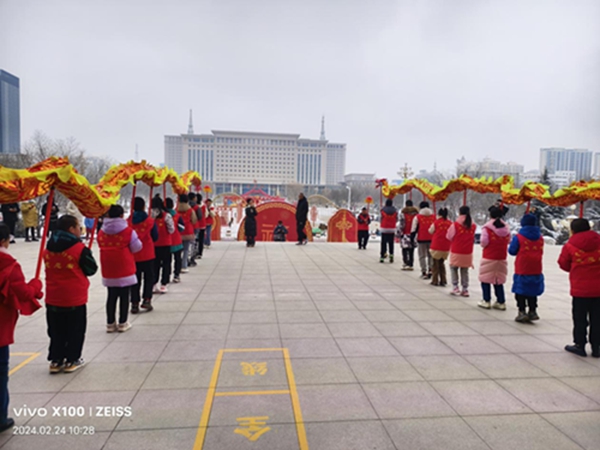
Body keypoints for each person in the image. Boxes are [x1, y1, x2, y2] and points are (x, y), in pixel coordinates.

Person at [0, 223, 43, 432]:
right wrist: (36, 286)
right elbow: (23, 293)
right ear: (4, 241)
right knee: (0, 372)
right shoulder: (8, 264)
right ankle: (0, 417)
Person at [44, 215, 97, 374]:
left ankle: (56, 359)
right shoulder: (79, 249)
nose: (80, 229)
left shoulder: (48, 247)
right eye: (78, 226)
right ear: (71, 229)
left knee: (56, 329)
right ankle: (72, 359)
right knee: (75, 329)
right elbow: (91, 269)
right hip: (74, 297)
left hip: (53, 296)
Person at [558, 218, 600, 358]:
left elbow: (563, 264)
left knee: (580, 318)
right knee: (597, 318)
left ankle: (580, 345)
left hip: (580, 289)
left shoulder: (570, 245)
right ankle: (597, 347)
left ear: (573, 230)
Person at [97, 205, 142, 333]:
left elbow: (100, 243)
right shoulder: (128, 231)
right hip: (124, 266)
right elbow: (137, 247)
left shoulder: (101, 231)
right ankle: (123, 322)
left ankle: (110, 323)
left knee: (111, 296)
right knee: (124, 296)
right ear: (122, 215)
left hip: (108, 267)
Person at [509, 213, 544, 323]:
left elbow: (512, 251)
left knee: (520, 290)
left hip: (522, 267)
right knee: (532, 290)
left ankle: (522, 311)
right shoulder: (540, 237)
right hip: (536, 267)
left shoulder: (519, 237)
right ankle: (533, 311)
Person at [477, 207, 511, 310]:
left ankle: (486, 300)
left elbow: (484, 242)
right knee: (498, 279)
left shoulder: (487, 228)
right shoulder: (506, 228)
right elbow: (509, 240)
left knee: (485, 278)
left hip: (489, 256)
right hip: (501, 256)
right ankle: (501, 301)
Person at [129, 197, 157, 314]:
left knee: (135, 279)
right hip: (147, 253)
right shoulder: (150, 221)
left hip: (133, 254)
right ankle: (147, 299)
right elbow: (155, 236)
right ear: (143, 206)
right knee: (149, 278)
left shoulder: (128, 221)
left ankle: (134, 302)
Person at [447, 206, 476, 297]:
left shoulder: (455, 225)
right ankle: (465, 288)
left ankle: (455, 287)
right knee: (464, 270)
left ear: (459, 213)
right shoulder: (473, 225)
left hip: (456, 250)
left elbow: (449, 236)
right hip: (468, 251)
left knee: (453, 268)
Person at [151, 197, 174, 293]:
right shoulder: (166, 215)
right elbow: (171, 229)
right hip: (165, 243)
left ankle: (154, 283)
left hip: (154, 244)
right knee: (166, 264)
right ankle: (164, 284)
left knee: (154, 265)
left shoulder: (150, 215)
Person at [411, 201, 435, 279]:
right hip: (432, 238)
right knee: (431, 255)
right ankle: (431, 269)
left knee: (422, 256)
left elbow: (413, 228)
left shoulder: (417, 217)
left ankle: (424, 271)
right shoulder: (434, 216)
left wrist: (412, 238)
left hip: (421, 238)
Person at [429, 207, 451, 286]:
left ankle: (435, 280)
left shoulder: (436, 222)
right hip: (446, 246)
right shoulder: (450, 223)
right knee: (442, 264)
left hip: (436, 246)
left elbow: (430, 231)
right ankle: (443, 280)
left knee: (435, 264)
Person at [166, 198, 184, 283]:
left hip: (166, 241)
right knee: (177, 259)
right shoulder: (177, 216)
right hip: (177, 240)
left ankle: (167, 275)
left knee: (167, 260)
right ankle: (176, 275)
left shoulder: (162, 216)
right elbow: (182, 228)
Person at [177, 194, 197, 272]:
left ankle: (178, 266)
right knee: (186, 249)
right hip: (188, 231)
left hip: (179, 231)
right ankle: (184, 265)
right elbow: (194, 220)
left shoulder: (176, 209)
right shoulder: (190, 210)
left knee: (178, 250)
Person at [399, 200, 418, 270]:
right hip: (413, 234)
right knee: (411, 250)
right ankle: (410, 263)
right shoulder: (416, 214)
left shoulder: (403, 214)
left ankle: (406, 262)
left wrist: (399, 233)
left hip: (405, 233)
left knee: (404, 249)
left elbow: (401, 225)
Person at [379, 199, 398, 263]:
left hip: (384, 228)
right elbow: (396, 219)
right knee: (391, 243)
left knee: (383, 243)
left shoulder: (382, 210)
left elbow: (380, 218)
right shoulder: (395, 211)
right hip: (392, 228)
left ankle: (382, 256)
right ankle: (391, 255)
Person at [195, 193, 207, 260]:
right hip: (202, 224)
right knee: (201, 239)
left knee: (195, 239)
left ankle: (195, 252)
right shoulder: (203, 206)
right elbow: (206, 214)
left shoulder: (194, 206)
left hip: (196, 225)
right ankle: (200, 252)